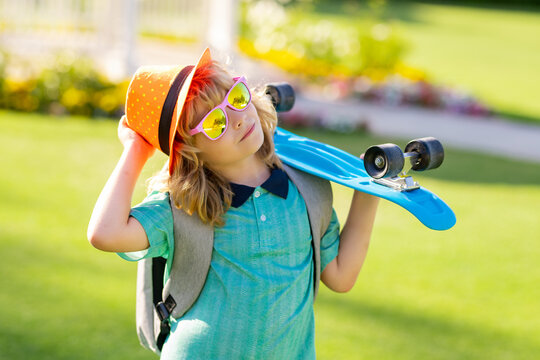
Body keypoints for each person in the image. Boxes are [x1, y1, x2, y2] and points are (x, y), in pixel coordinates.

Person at [87, 48, 379, 359]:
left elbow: (341, 276)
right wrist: (136, 150)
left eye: (236, 99)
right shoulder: (184, 205)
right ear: (190, 151)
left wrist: (370, 189)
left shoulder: (307, 188)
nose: (237, 120)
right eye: (215, 124)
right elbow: (105, 233)